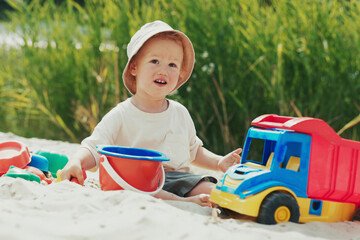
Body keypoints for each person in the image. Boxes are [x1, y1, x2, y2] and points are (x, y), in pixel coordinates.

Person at [60, 20, 242, 207]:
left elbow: (194, 152)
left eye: (172, 64)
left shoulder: (180, 113)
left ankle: (186, 198)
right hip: (139, 179)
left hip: (178, 178)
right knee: (141, 188)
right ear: (134, 68)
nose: (163, 70)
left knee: (216, 193)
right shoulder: (122, 114)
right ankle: (182, 202)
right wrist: (76, 161)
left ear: (180, 73)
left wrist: (220, 162)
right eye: (154, 61)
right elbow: (93, 147)